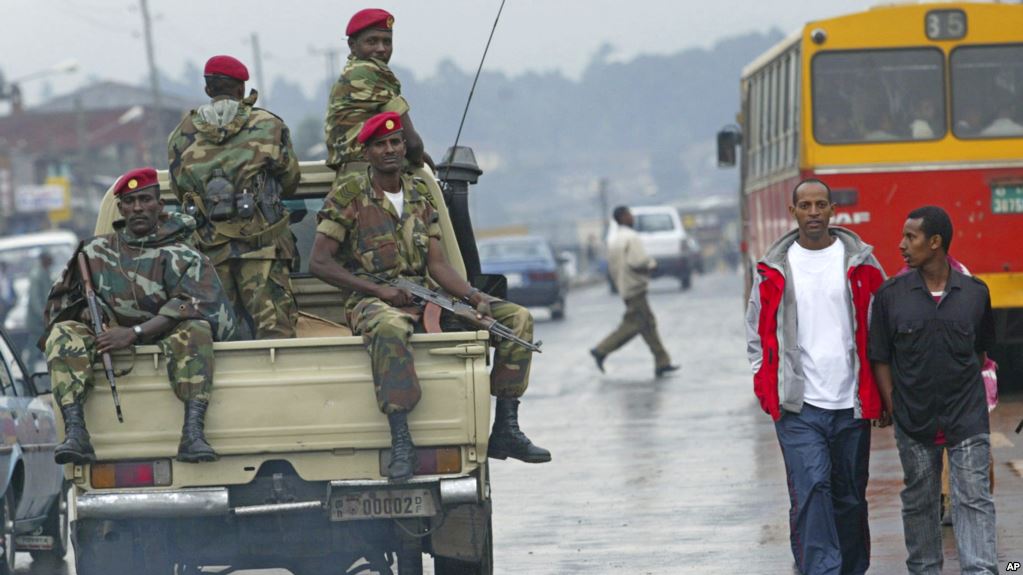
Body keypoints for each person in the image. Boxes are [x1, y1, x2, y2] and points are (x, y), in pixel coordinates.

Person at [309, 112, 550, 482]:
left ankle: (505, 429)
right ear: (368, 152)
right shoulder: (350, 195)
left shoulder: (420, 192)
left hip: (425, 294)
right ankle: (401, 441)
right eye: (380, 144)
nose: (390, 149)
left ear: (404, 147)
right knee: (388, 329)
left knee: (517, 319)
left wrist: (472, 296)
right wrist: (380, 291)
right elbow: (319, 262)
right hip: (372, 299)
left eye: (395, 142)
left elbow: (437, 263)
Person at [43, 168, 238, 465]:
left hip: (167, 336)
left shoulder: (184, 255)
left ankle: (194, 433)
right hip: (106, 338)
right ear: (120, 208)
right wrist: (86, 313)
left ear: (160, 206)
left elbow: (197, 304)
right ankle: (76, 432)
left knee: (195, 329)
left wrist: (134, 333)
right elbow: (57, 307)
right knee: (62, 333)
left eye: (145, 199)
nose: (137, 208)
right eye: (130, 201)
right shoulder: (93, 252)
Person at [745, 179, 886, 575]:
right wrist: (765, 387)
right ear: (792, 213)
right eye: (804, 206)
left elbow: (883, 327)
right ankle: (821, 569)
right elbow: (756, 333)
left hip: (851, 405)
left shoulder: (862, 263)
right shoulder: (775, 268)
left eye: (820, 205)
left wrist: (883, 393)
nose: (813, 213)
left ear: (832, 211)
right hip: (798, 407)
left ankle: (851, 568)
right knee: (812, 490)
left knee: (849, 498)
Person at [869, 206, 998, 574]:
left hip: (966, 417)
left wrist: (964, 392)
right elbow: (880, 355)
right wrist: (894, 403)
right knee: (920, 502)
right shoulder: (890, 296)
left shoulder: (975, 294)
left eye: (911, 237)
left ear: (936, 242)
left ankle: (983, 569)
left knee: (973, 498)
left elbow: (981, 352)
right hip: (914, 419)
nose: (902, 245)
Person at [168, 55, 300, 340]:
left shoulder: (181, 135)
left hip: (208, 254)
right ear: (241, 89)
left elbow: (180, 191)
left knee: (218, 336)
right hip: (262, 248)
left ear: (207, 90)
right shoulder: (269, 125)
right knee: (275, 332)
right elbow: (290, 181)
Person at [324, 8, 430, 177]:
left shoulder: (351, 71)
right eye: (372, 41)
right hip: (373, 177)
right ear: (352, 45)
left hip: (349, 176)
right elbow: (413, 144)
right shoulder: (370, 71)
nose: (381, 49)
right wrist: (419, 160)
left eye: (387, 42)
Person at [589, 206, 679, 378]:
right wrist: (652, 265)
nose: (632, 218)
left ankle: (662, 361)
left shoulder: (615, 239)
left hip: (625, 287)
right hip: (635, 288)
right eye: (629, 215)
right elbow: (639, 261)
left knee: (648, 325)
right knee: (634, 325)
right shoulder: (631, 237)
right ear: (623, 217)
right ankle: (601, 350)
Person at [24, 251, 53, 370]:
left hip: (43, 320)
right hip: (37, 321)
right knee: (34, 350)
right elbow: (35, 299)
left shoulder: (45, 273)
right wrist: (43, 314)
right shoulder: (37, 274)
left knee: (45, 347)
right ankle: (29, 378)